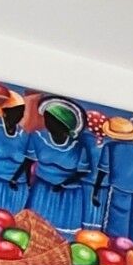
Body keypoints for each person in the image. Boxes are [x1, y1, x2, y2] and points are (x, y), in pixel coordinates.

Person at [25, 98, 95, 235]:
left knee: (61, 234)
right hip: (42, 190)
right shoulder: (38, 138)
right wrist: (28, 182)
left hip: (68, 195)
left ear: (64, 124)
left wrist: (64, 184)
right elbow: (28, 162)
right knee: (35, 230)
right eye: (46, 119)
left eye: (52, 120)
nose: (47, 123)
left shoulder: (78, 147)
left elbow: (82, 171)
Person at [96, 116, 133, 243]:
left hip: (119, 189)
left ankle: (117, 250)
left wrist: (96, 190)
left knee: (117, 226)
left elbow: (103, 171)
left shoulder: (109, 147)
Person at [0, 91, 31, 213]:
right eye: (16, 112)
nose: (19, 116)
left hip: (16, 188)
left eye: (21, 112)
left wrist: (16, 179)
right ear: (4, 111)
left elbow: (28, 162)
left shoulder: (25, 135)